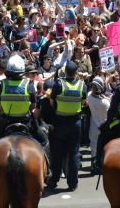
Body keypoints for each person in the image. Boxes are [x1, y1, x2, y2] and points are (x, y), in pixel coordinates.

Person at [0, 54, 42, 175]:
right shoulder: (29, 85)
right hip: (26, 122)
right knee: (44, 140)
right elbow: (33, 107)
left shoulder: (2, 85)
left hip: (5, 122)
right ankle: (47, 171)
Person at [47, 60, 86, 191]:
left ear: (65, 72)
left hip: (60, 122)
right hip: (75, 122)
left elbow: (52, 102)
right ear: (76, 73)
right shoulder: (82, 85)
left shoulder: (59, 84)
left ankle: (54, 180)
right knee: (74, 153)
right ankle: (73, 183)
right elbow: (84, 103)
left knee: (57, 152)